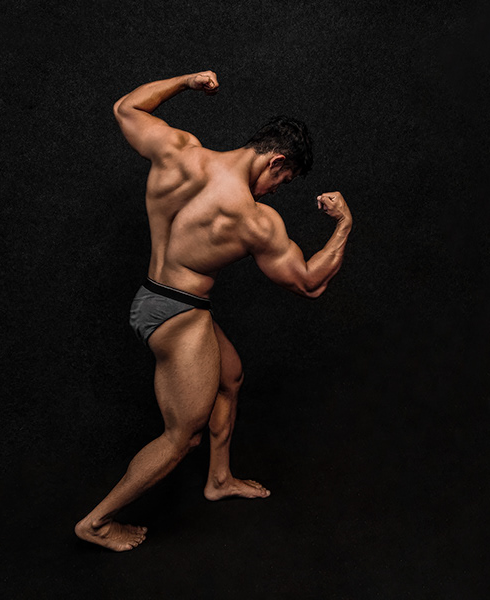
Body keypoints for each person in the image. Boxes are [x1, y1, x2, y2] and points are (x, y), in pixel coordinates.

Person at [75, 70, 352, 551]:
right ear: (276, 160)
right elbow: (309, 283)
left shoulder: (180, 151)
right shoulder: (254, 219)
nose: (275, 191)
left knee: (231, 376)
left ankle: (219, 479)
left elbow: (127, 108)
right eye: (282, 181)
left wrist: (187, 82)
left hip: (153, 297)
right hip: (179, 314)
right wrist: (344, 223)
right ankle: (97, 522)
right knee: (182, 436)